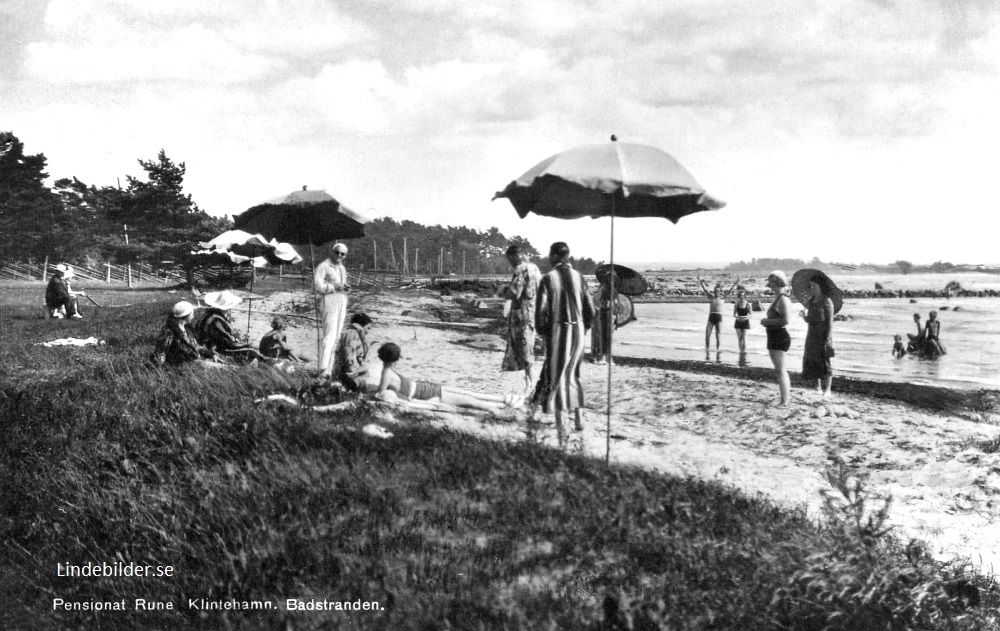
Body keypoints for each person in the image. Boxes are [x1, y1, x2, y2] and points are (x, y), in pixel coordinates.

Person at [532, 242, 595, 444]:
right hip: (579, 330)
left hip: (560, 329)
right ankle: (579, 419)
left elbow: (541, 312)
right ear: (567, 256)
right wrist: (585, 328)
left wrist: (543, 334)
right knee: (574, 374)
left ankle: (561, 425)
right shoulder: (580, 277)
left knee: (558, 375)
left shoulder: (548, 279)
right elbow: (590, 310)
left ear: (553, 256)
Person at [376, 342, 519, 411]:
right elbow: (383, 393)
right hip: (424, 389)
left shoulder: (386, 372)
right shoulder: (389, 372)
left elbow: (380, 393)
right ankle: (502, 403)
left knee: (467, 398)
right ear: (395, 359)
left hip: (424, 391)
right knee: (467, 396)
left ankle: (502, 404)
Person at [497, 244, 542, 390]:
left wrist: (501, 290)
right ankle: (530, 381)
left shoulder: (520, 269)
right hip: (533, 312)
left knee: (523, 349)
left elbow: (514, 292)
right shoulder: (535, 268)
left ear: (514, 256)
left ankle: (530, 383)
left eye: (509, 259)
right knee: (529, 346)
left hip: (521, 314)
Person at [195, 291, 269, 364]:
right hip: (212, 347)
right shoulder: (216, 320)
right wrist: (237, 340)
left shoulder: (209, 314)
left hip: (208, 342)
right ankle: (263, 363)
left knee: (246, 347)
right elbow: (226, 336)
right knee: (250, 349)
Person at [314, 243, 350, 379]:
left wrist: (344, 288)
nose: (339, 255)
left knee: (337, 335)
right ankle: (322, 368)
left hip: (341, 301)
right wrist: (334, 288)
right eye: (337, 252)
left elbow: (341, 285)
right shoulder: (324, 266)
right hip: (329, 301)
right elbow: (318, 285)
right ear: (332, 252)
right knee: (329, 335)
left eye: (342, 254)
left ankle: (330, 369)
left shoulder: (342, 268)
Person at [800, 273, 836, 398]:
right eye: (811, 286)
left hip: (823, 334)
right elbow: (810, 319)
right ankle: (818, 387)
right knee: (811, 358)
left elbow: (830, 322)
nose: (812, 288)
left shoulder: (827, 301)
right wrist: (805, 317)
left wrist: (828, 338)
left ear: (821, 287)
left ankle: (828, 390)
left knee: (824, 361)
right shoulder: (811, 301)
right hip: (811, 333)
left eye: (814, 286)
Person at [759, 271, 792, 406]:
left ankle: (785, 400)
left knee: (780, 370)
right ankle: (785, 398)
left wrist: (766, 321)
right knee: (779, 369)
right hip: (775, 335)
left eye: (772, 281)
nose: (769, 284)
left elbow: (786, 320)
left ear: (778, 282)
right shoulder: (778, 297)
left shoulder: (782, 299)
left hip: (779, 335)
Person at [150, 301, 218, 366]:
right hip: (182, 365)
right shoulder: (168, 332)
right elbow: (161, 352)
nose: (193, 316)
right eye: (192, 314)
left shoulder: (187, 328)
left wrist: (211, 355)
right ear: (186, 316)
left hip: (195, 362)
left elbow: (195, 347)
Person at [698, 276, 739, 360]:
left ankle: (717, 350)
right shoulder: (711, 297)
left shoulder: (723, 298)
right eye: (716, 291)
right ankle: (707, 349)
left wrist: (735, 283)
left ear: (720, 292)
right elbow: (705, 290)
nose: (717, 292)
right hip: (711, 316)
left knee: (718, 335)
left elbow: (730, 291)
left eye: (718, 291)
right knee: (707, 334)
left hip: (718, 317)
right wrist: (701, 282)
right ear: (714, 291)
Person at [334, 312, 373, 392]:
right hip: (346, 374)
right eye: (368, 328)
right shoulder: (352, 333)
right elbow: (349, 358)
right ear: (361, 325)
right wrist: (353, 374)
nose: (368, 332)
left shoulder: (353, 333)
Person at [591, 272, 621, 366]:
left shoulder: (613, 290)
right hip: (604, 313)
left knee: (607, 335)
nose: (611, 280)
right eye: (610, 278)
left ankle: (607, 357)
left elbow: (616, 304)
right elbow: (596, 300)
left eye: (613, 279)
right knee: (604, 335)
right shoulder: (604, 289)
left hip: (609, 313)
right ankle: (604, 357)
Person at [732, 288, 752, 363]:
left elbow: (750, 314)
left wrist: (746, 317)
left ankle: (745, 351)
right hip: (738, 321)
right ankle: (741, 351)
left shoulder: (747, 304)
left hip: (745, 321)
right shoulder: (736, 304)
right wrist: (737, 317)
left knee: (744, 337)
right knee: (740, 338)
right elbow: (734, 314)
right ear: (739, 296)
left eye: (743, 296)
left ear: (745, 296)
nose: (742, 297)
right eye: (740, 295)